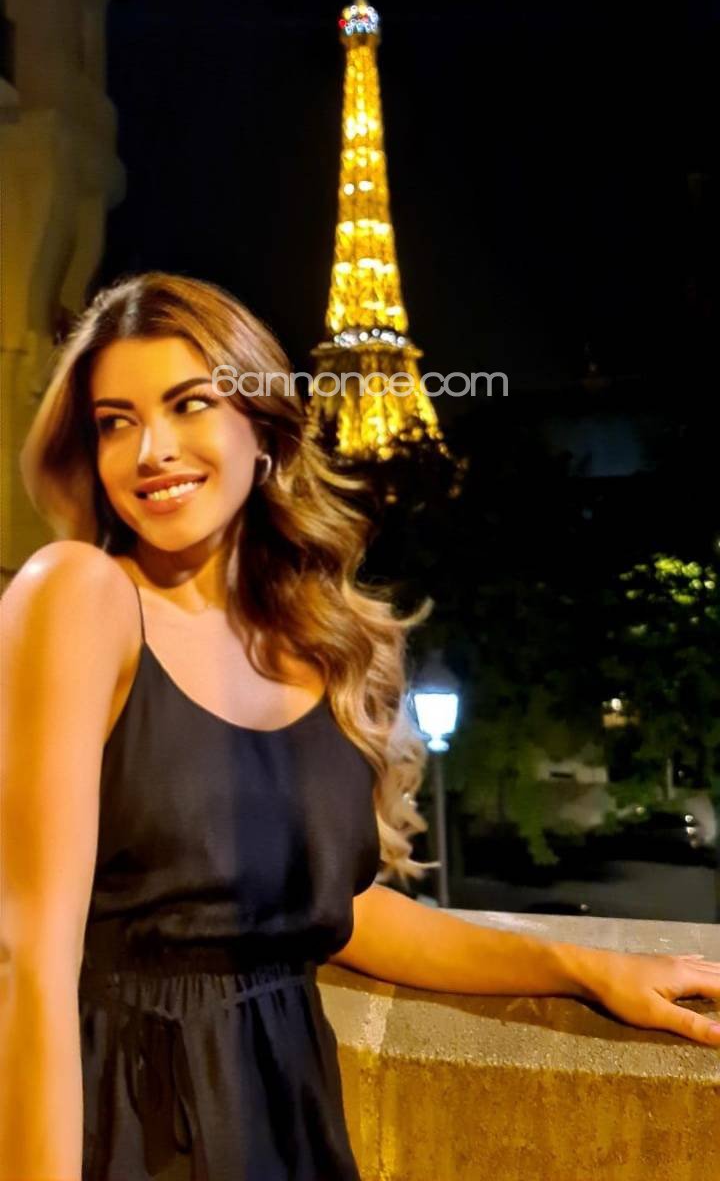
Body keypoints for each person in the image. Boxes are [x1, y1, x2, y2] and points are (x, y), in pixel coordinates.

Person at [1, 270, 719, 1181]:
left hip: (288, 1115)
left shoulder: (311, 645)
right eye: (115, 421)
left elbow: (335, 913)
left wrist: (584, 968)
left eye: (189, 404)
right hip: (128, 1123)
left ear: (263, 430)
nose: (152, 450)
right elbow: (27, 957)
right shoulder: (77, 595)